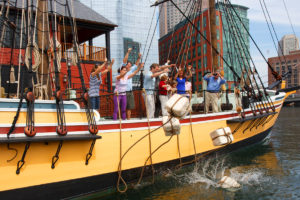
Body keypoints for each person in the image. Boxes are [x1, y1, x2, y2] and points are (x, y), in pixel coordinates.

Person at [122, 48, 142, 119]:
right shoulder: (123, 70)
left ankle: (128, 120)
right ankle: (123, 120)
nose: (129, 66)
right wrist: (128, 52)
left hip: (130, 91)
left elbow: (136, 64)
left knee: (129, 107)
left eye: (130, 65)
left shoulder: (130, 70)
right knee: (124, 107)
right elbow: (124, 60)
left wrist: (139, 57)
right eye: (128, 65)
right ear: (125, 65)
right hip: (124, 91)